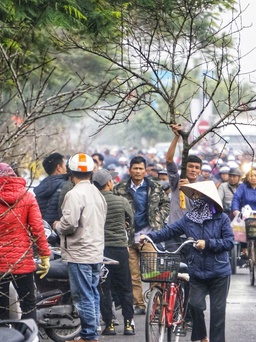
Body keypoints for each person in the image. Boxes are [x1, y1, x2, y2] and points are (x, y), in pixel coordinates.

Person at [139, 180, 234, 342]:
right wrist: (149, 237)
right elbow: (168, 231)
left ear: (207, 198)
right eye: (194, 195)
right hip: (197, 270)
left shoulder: (222, 218)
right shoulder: (189, 219)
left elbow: (229, 242)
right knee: (195, 305)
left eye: (198, 195)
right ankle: (202, 336)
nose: (195, 198)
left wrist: (208, 244)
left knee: (218, 313)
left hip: (219, 272)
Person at [53, 153, 107, 342]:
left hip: (79, 253)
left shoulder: (74, 194)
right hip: (95, 252)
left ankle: (88, 335)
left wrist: (57, 226)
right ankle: (93, 332)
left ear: (70, 172)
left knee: (83, 296)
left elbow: (69, 225)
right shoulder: (97, 193)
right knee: (92, 293)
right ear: (91, 172)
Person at [113, 156, 170, 315]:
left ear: (145, 171)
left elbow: (165, 204)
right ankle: (139, 304)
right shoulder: (120, 188)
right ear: (130, 170)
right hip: (128, 237)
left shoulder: (155, 187)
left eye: (140, 169)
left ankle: (156, 303)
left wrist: (157, 219)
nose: (138, 172)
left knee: (153, 272)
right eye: (135, 168)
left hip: (149, 237)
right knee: (133, 274)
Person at [0, 163, 51, 320]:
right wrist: (44, 256)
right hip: (22, 261)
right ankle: (30, 336)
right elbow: (37, 229)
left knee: (1, 308)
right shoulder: (27, 197)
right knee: (28, 305)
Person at [92, 169, 135, 336]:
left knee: (104, 287)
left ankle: (109, 324)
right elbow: (131, 221)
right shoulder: (121, 201)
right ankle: (128, 324)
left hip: (101, 250)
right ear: (109, 183)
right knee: (125, 287)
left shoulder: (94, 202)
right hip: (119, 250)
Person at [34, 152, 67, 228]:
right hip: (58, 231)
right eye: (64, 165)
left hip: (43, 232)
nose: (66, 168)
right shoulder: (65, 186)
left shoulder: (41, 186)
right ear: (58, 167)